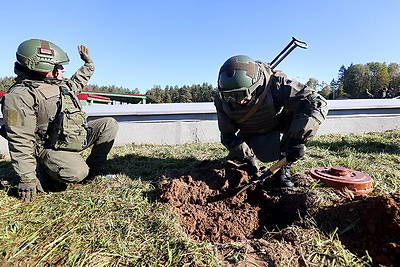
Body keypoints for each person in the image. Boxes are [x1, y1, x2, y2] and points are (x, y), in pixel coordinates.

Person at [0, 39, 119, 202]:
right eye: (58, 66)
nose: (62, 69)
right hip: (46, 147)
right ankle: (44, 170)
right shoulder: (18, 96)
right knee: (76, 172)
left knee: (108, 124)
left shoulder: (56, 84)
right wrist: (27, 179)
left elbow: (77, 82)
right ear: (42, 66)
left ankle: (95, 170)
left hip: (65, 137)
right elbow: (20, 140)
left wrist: (89, 65)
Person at [214, 55, 329, 187]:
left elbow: (317, 102)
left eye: (242, 94)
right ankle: (244, 164)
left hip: (274, 122)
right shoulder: (222, 100)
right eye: (230, 95)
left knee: (298, 109)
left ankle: (283, 167)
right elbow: (227, 135)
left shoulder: (275, 83)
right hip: (246, 130)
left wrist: (297, 140)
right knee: (235, 164)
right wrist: (246, 157)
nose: (237, 100)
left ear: (255, 86)